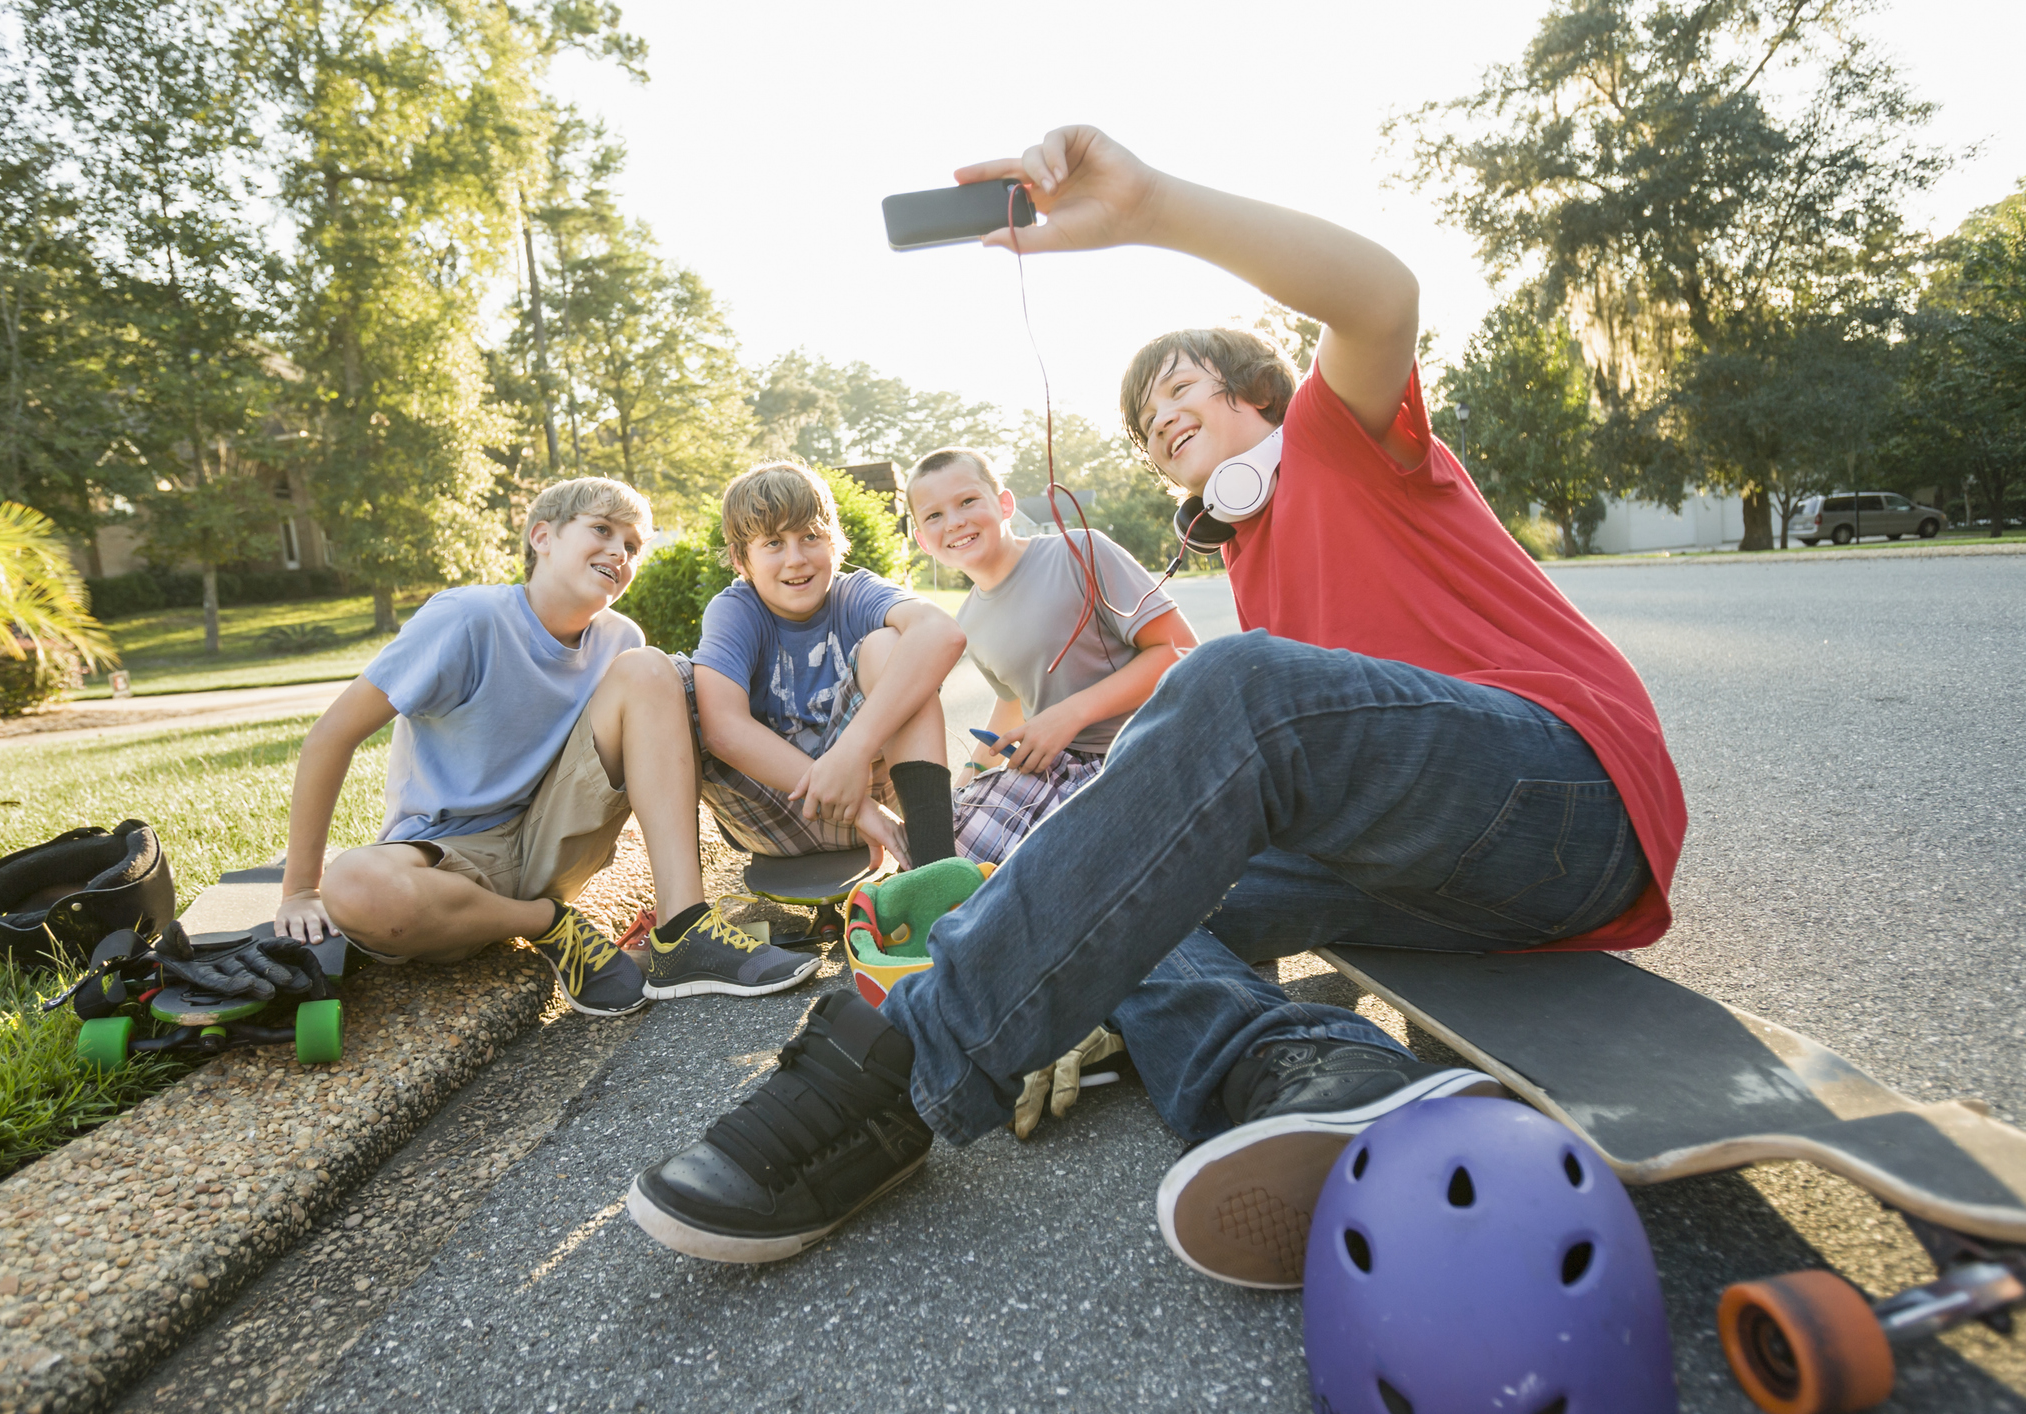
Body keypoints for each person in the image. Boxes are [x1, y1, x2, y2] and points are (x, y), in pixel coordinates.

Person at [624, 128, 1687, 1288]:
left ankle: (902, 1068)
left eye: (1178, 386)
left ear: (1259, 392)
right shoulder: (1252, 554)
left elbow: (1382, 295)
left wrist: (1151, 207)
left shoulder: (1344, 436)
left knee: (1226, 681)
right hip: (1442, 875)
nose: (1158, 415)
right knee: (1116, 901)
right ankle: (1308, 1074)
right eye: (1142, 418)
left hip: (1569, 795)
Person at [275, 476, 819, 1018]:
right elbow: (330, 737)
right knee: (354, 886)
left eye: (632, 546)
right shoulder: (467, 619)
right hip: (450, 862)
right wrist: (300, 889)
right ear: (542, 537)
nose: (618, 552)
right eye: (601, 529)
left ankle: (683, 930)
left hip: (554, 838)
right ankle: (550, 924)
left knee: (652, 669)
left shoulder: (619, 640)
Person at [906, 446, 1198, 865]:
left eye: (967, 500)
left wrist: (1070, 714)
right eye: (933, 515)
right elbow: (1012, 701)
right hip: (1061, 770)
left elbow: (1181, 651)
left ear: (1004, 504)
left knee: (1057, 871)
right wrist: (969, 780)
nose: (954, 522)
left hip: (1147, 750)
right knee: (939, 851)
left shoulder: (1081, 552)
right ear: (922, 540)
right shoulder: (967, 619)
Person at [679, 460, 966, 873]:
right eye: (773, 543)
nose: (796, 559)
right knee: (676, 680)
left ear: (834, 544)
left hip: (865, 787)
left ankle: (936, 870)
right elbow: (723, 730)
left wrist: (852, 753)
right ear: (742, 561)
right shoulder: (736, 610)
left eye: (811, 536)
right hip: (776, 814)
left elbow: (944, 633)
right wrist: (863, 809)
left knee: (893, 646)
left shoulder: (855, 594)